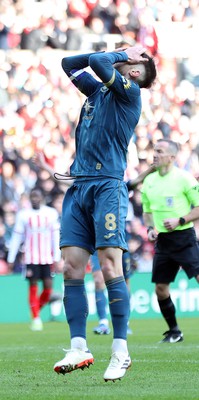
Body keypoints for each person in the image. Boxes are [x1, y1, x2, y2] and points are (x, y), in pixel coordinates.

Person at [53, 44, 156, 382]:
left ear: (137, 72)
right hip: (79, 186)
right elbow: (69, 63)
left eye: (134, 60)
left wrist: (122, 52)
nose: (127, 59)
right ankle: (79, 346)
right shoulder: (98, 91)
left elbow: (99, 61)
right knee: (71, 266)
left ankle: (120, 350)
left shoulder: (130, 93)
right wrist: (121, 51)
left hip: (107, 186)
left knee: (110, 263)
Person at [141, 139, 199, 343]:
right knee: (161, 288)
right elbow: (147, 211)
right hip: (163, 241)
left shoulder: (185, 179)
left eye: (160, 151)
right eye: (154, 150)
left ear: (172, 157)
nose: (154, 155)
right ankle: (174, 331)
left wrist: (180, 220)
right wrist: (150, 229)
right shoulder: (149, 181)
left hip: (184, 237)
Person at [7, 188, 60, 331]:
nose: (35, 198)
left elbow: (56, 237)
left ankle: (35, 311)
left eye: (37, 196)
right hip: (31, 258)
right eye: (32, 196)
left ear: (42, 197)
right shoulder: (23, 215)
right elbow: (17, 237)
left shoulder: (51, 213)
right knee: (33, 288)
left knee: (48, 289)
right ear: (30, 198)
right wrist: (11, 258)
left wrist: (57, 256)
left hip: (47, 258)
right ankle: (36, 318)